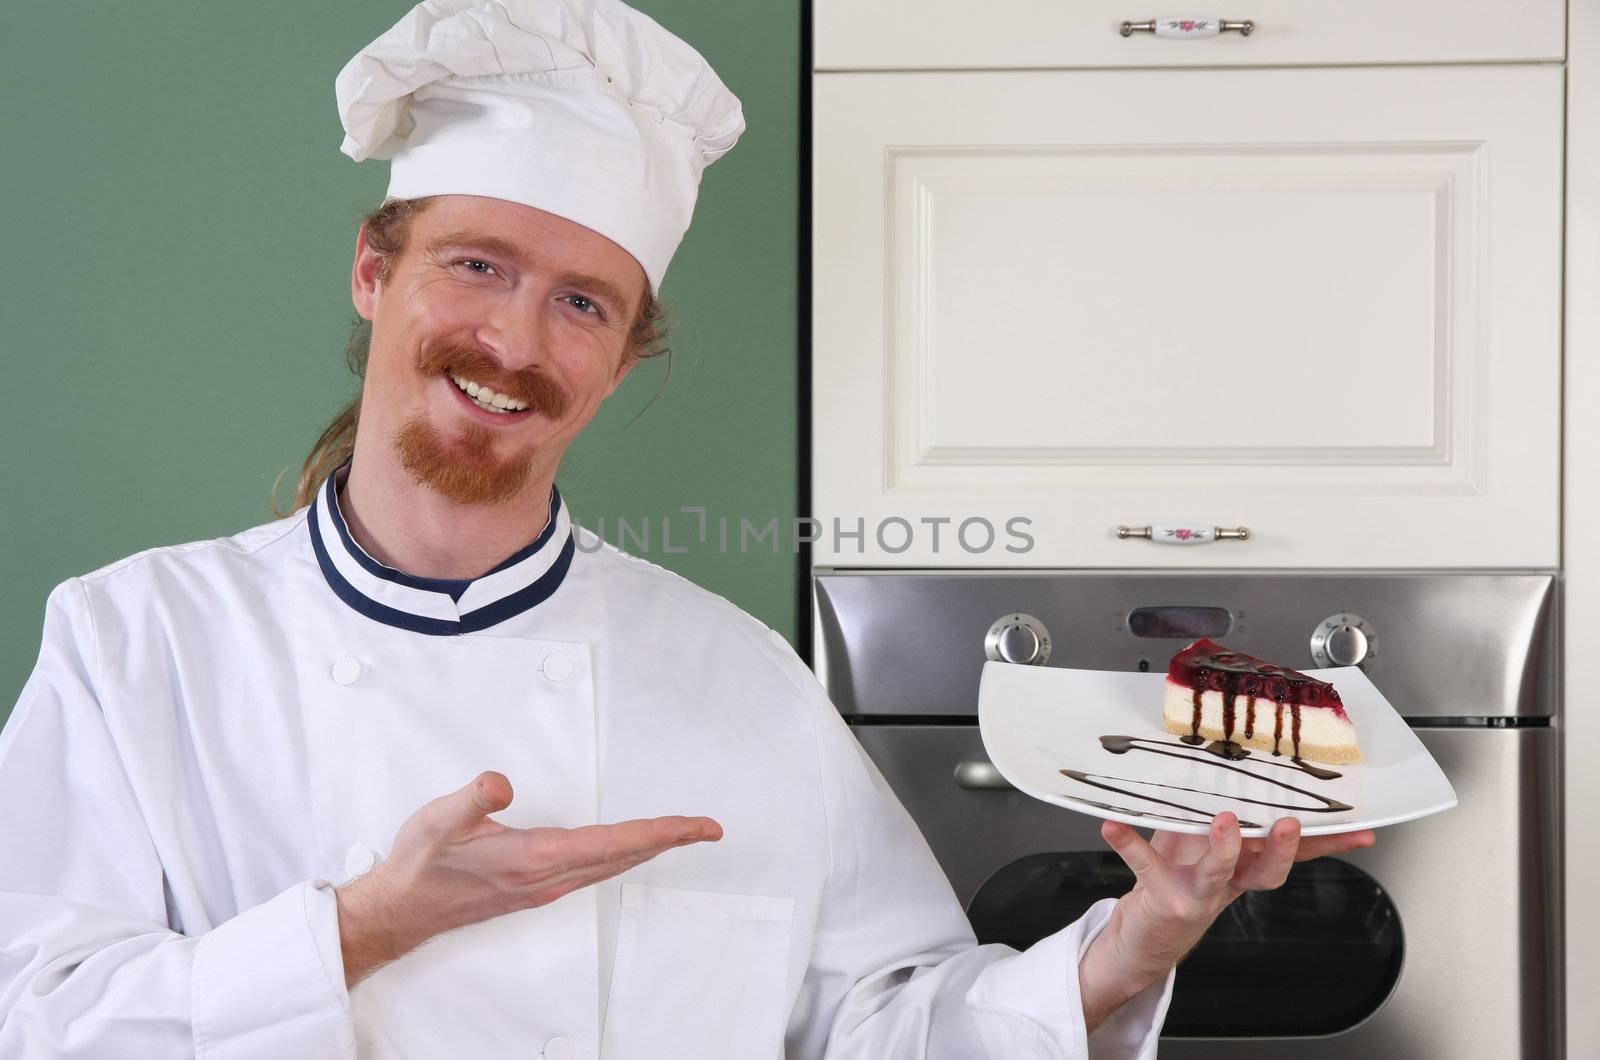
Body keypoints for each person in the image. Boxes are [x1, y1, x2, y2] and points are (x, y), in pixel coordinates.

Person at [0, 1, 1375, 1057]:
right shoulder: (138, 641)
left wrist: (1142, 937)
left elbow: (886, 1025)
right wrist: (362, 930)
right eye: (476, 265)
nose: (517, 339)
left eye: (583, 302)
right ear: (376, 272)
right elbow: (32, 1017)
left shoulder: (730, 676)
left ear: (622, 356)